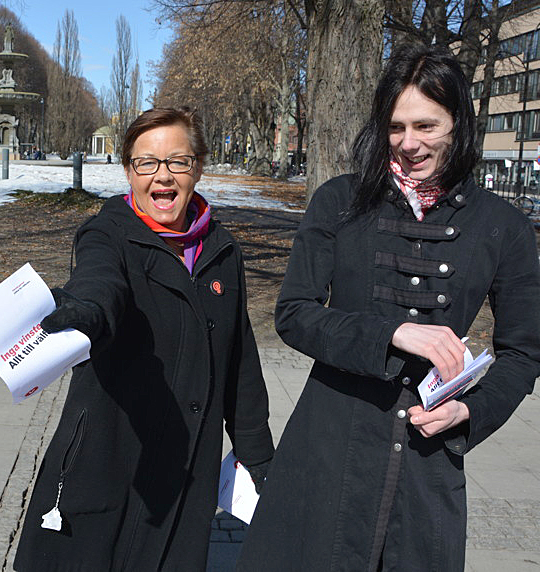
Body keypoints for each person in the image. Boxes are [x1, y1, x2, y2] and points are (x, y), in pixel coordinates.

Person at [237, 43, 540, 571]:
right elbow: (295, 313)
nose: (408, 143)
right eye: (396, 127)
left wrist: (470, 411)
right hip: (330, 445)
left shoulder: (503, 225)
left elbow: (523, 352)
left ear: (459, 124)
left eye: (426, 126)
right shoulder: (340, 201)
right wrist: (391, 334)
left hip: (428, 459)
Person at [13, 107, 274, 571]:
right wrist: (88, 310)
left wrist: (257, 455)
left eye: (178, 161)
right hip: (107, 457)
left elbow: (239, 360)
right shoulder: (107, 233)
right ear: (129, 171)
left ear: (198, 167)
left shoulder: (222, 250)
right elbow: (99, 281)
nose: (163, 175)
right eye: (147, 162)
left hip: (186, 468)